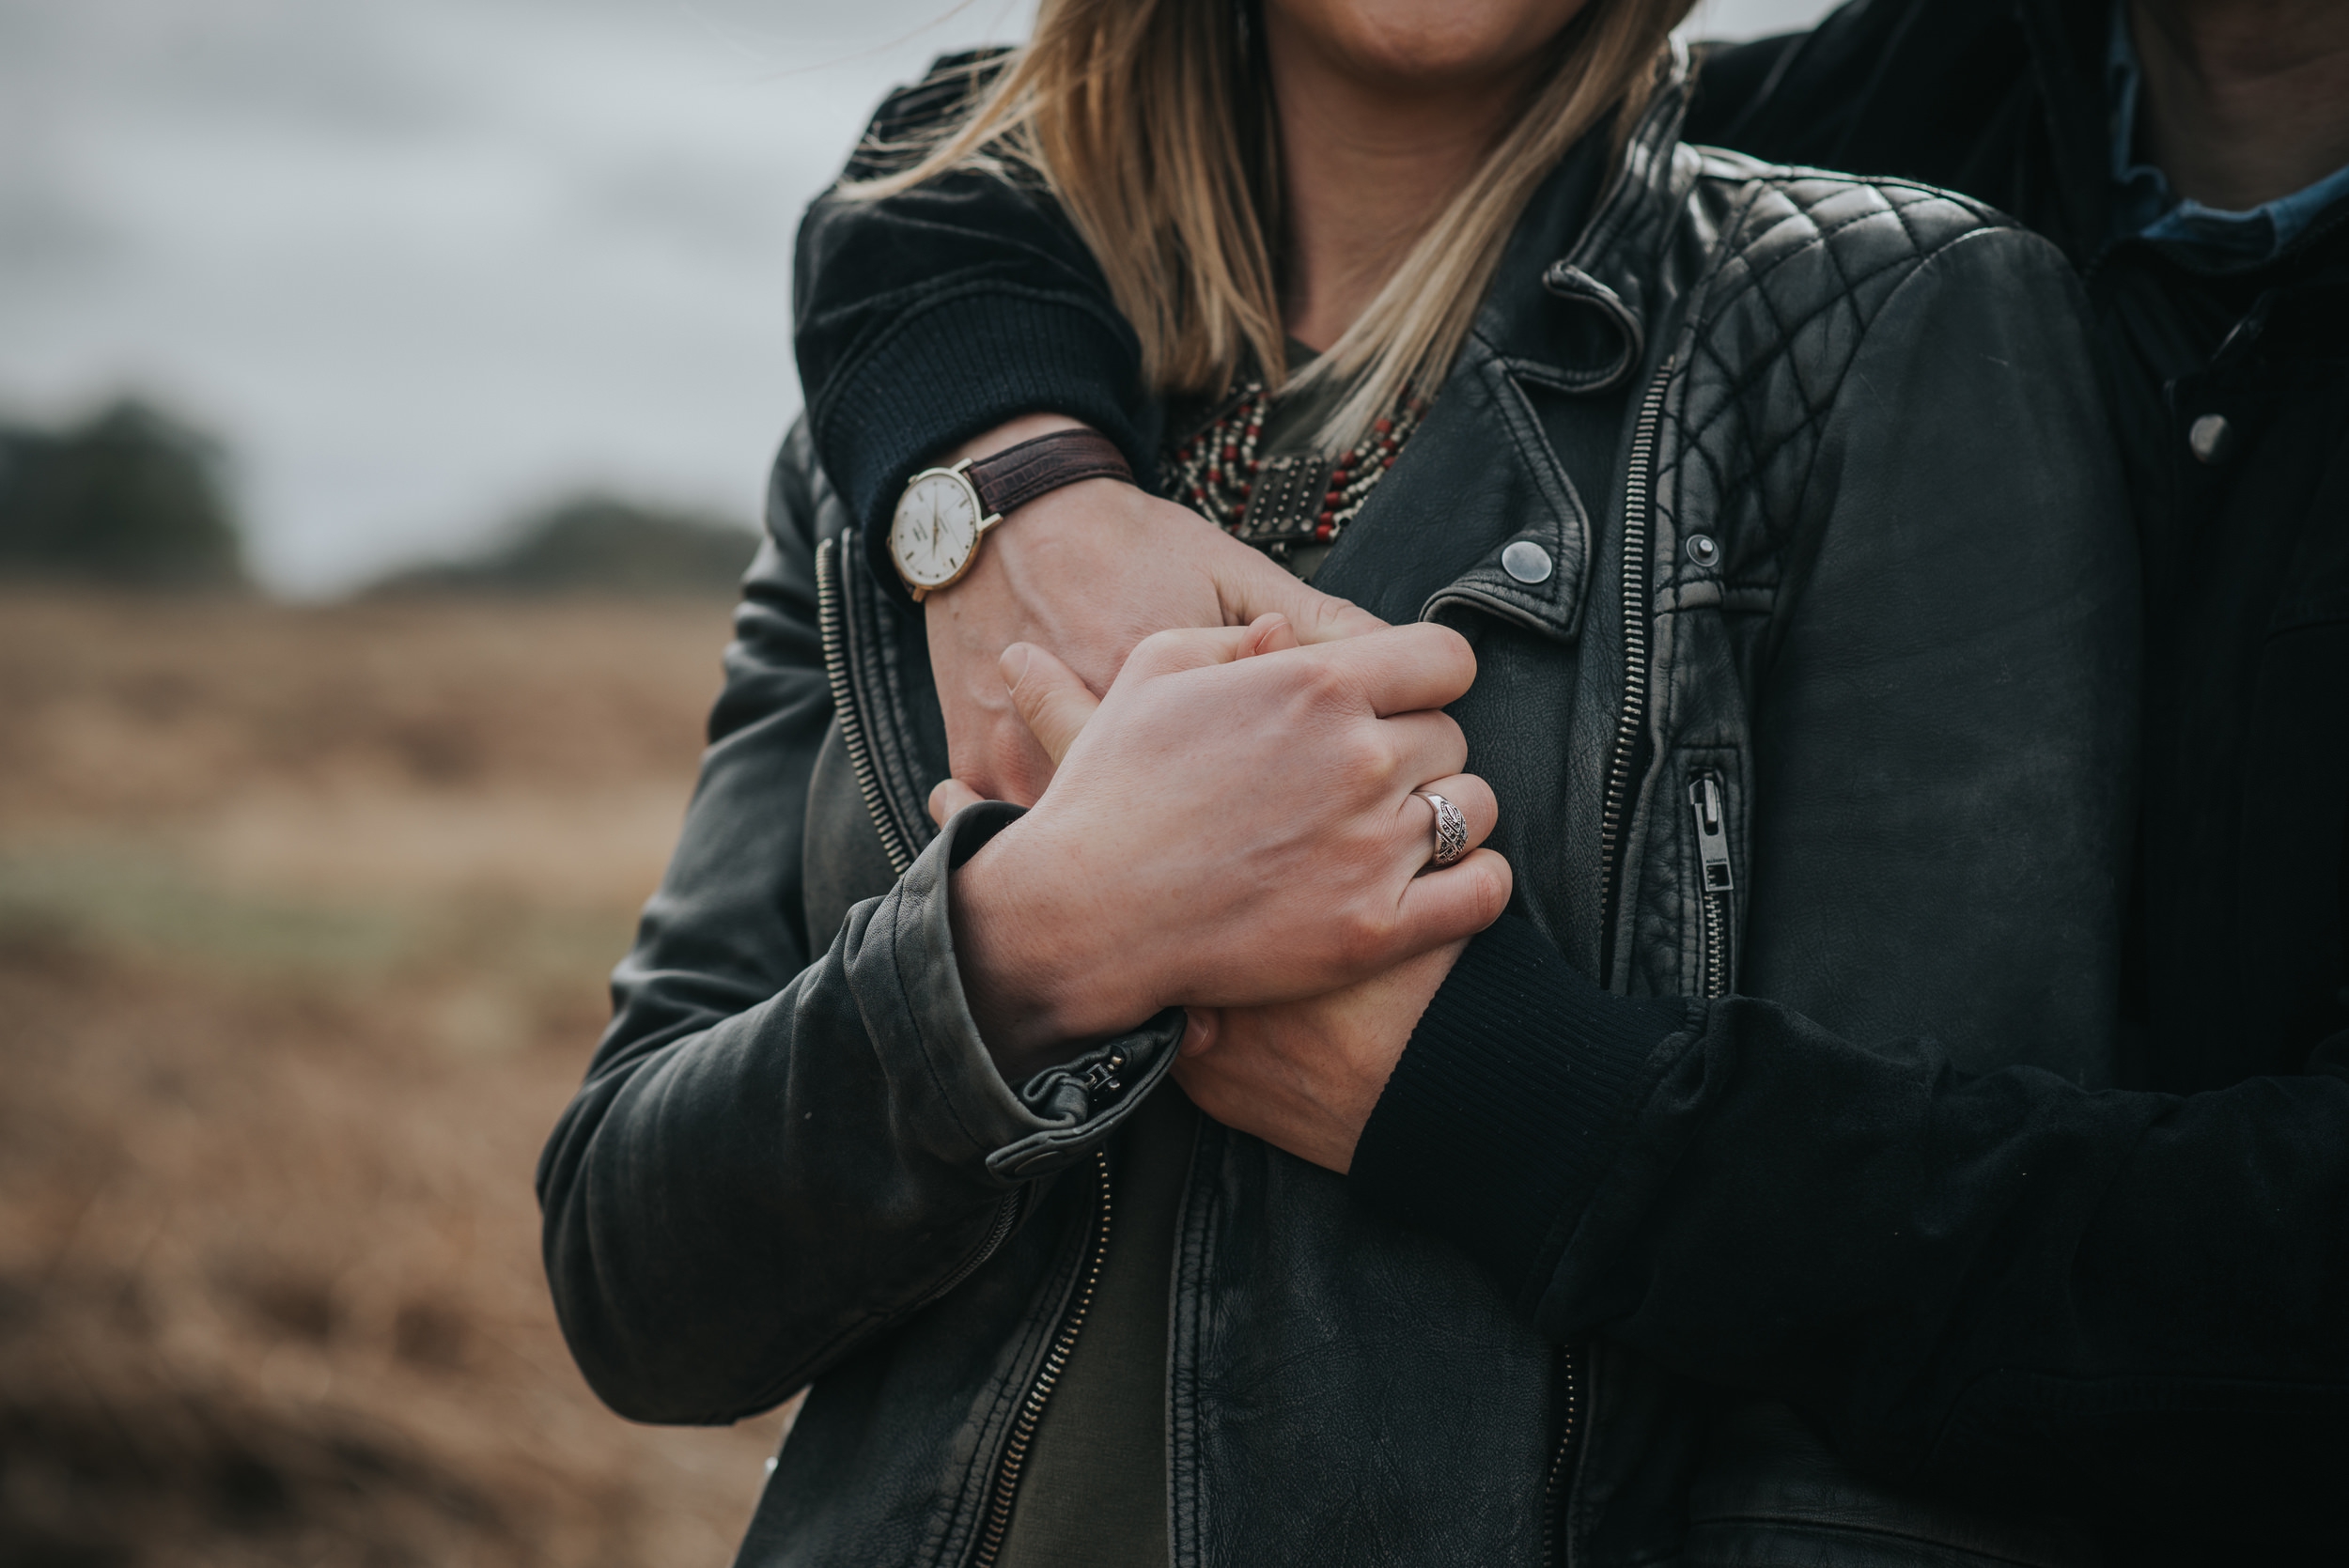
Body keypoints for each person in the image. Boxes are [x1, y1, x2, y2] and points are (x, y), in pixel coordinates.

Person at [537, 1, 2142, 1565]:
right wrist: (1029, 945)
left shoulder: (1878, 328)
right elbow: (632, 1282)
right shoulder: (922, 431)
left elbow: (1889, 1417)